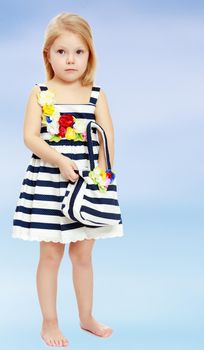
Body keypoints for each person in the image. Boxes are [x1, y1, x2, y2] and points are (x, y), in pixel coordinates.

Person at [12, 12, 124, 347]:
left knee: (83, 256)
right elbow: (31, 137)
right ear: (47, 54)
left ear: (89, 54)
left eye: (79, 51)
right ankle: (49, 322)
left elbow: (107, 138)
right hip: (48, 181)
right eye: (61, 51)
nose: (70, 59)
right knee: (49, 255)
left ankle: (86, 316)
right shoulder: (40, 93)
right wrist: (59, 159)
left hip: (87, 183)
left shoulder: (96, 94)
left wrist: (102, 178)